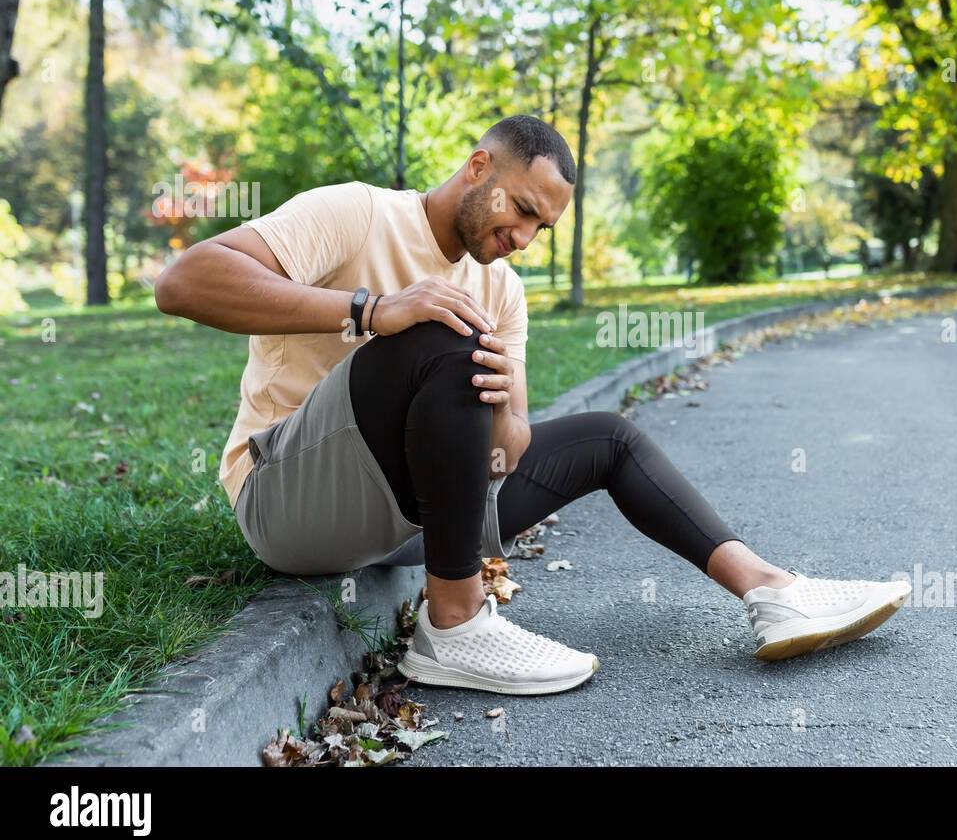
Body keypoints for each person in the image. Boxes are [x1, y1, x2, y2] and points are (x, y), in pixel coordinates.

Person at [154, 114, 911, 696]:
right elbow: (183, 282)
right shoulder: (358, 214)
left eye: (540, 227)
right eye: (519, 210)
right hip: (286, 502)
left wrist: (504, 424)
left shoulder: (503, 291)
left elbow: (503, 450)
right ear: (479, 165)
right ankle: (453, 626)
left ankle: (773, 593)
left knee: (607, 438)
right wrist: (371, 309)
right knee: (439, 331)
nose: (522, 237)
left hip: (398, 519)